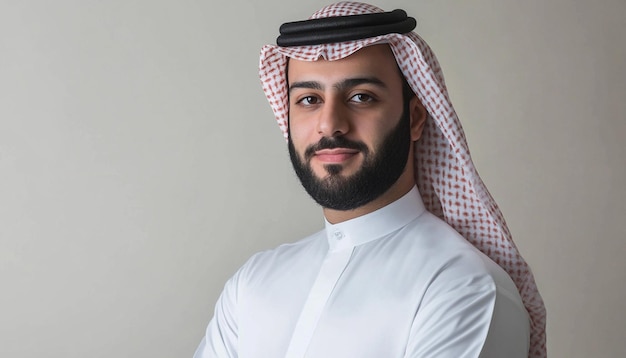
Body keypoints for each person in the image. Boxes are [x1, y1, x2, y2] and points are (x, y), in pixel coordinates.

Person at [194, 2, 546, 357]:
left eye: (361, 97)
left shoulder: (463, 288)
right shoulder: (253, 283)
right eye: (309, 99)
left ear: (414, 120)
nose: (330, 123)